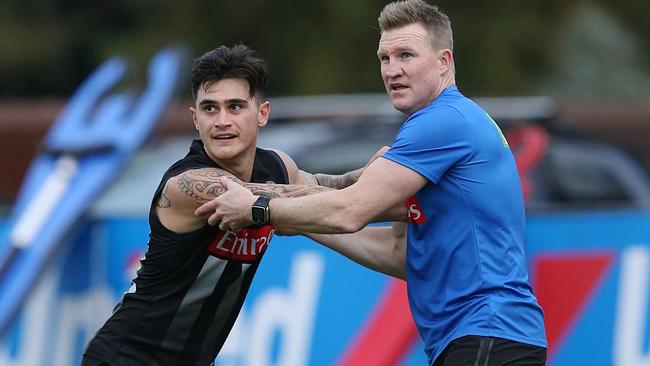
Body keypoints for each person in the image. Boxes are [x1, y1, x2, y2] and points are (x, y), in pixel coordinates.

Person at [196, 1, 548, 365]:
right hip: (491, 338)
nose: (393, 70)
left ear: (444, 61)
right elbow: (400, 254)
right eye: (385, 58)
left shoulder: (441, 122)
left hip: (487, 333)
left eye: (406, 55)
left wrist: (259, 209)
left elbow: (349, 210)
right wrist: (288, 210)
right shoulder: (449, 121)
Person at [82, 44, 401, 366]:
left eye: (235, 107)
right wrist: (381, 193)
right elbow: (326, 205)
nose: (222, 120)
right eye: (210, 108)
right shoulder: (188, 185)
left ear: (262, 113)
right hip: (125, 357)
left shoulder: (278, 167)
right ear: (195, 118)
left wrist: (379, 174)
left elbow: (329, 187)